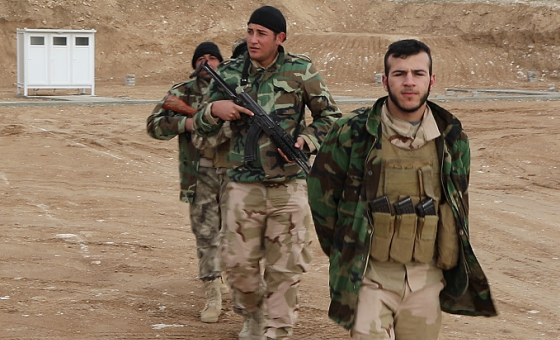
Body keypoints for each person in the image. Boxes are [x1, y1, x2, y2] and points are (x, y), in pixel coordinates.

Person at [307, 39, 497, 340]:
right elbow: (322, 198)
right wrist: (346, 250)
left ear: (431, 80)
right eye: (399, 73)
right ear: (385, 80)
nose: (409, 82)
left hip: (427, 278)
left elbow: (458, 201)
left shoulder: (451, 137)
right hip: (371, 276)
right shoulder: (351, 132)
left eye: (418, 73)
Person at [192, 6, 342, 340]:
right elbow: (201, 124)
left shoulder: (300, 71)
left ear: (280, 38)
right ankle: (254, 316)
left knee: (285, 268)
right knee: (239, 267)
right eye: (250, 32)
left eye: (261, 33)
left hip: (288, 186)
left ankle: (278, 329)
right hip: (242, 186)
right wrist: (216, 110)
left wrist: (306, 139)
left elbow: (330, 117)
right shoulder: (229, 73)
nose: (253, 39)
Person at [146, 41, 229, 324]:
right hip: (200, 173)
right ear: (195, 64)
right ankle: (213, 296)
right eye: (201, 59)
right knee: (206, 235)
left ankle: (229, 278)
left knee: (236, 235)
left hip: (235, 174)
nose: (207, 63)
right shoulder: (182, 91)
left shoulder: (232, 88)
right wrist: (188, 123)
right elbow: (154, 125)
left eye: (213, 58)